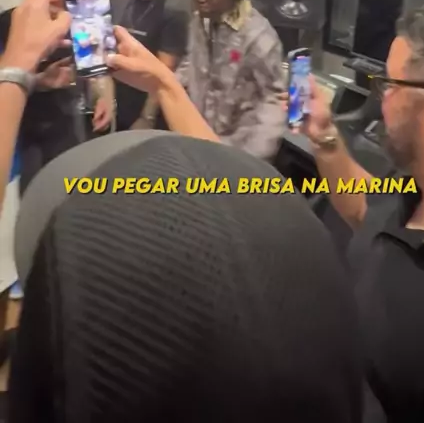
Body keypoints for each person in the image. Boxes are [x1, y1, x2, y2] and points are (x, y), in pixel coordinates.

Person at [10, 30, 363, 423]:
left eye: (391, 84)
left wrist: (12, 76)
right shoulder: (396, 203)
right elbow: (350, 203)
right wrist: (326, 138)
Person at [304, 0, 424, 422]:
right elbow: (368, 209)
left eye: (390, 85)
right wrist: (325, 137)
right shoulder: (421, 188)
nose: (380, 98)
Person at [0, 0, 113, 193]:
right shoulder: (7, 23)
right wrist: (40, 81)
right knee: (31, 194)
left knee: (67, 192)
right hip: (21, 126)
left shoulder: (81, 21)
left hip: (67, 121)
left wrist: (104, 97)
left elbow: (97, 66)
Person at [178, 0, 285, 160]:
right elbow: (192, 63)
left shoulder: (258, 36)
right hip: (201, 139)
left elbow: (274, 99)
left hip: (239, 152)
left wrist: (253, 158)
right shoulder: (200, 21)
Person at [112, 0, 188, 131]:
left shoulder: (172, 13)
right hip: (122, 106)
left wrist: (147, 117)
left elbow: (164, 71)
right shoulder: (127, 2)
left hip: (151, 111)